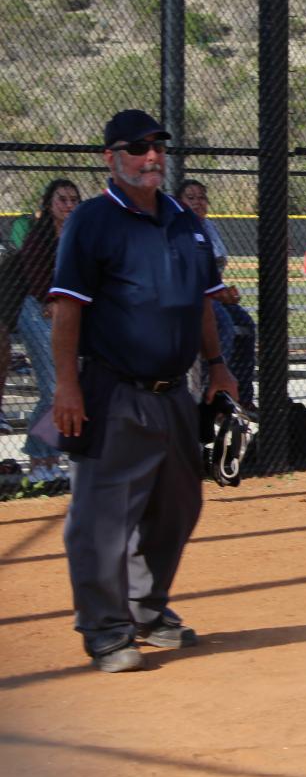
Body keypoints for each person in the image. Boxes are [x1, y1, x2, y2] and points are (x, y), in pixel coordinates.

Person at [49, 110, 238, 673]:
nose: (151, 156)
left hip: (175, 392)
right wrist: (66, 386)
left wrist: (218, 365)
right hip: (113, 389)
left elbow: (202, 300)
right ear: (112, 158)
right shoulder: (92, 220)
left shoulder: (186, 220)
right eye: (137, 148)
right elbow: (66, 309)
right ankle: (105, 630)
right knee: (102, 517)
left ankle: (146, 611)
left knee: (177, 506)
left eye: (157, 146)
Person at [14, 179, 81, 482]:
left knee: (63, 387)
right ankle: (38, 458)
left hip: (66, 312)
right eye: (62, 199)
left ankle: (49, 457)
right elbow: (35, 273)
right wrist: (51, 299)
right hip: (36, 308)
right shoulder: (38, 235)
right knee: (53, 386)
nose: (68, 205)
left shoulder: (80, 235)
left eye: (72, 200)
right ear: (49, 203)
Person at [176, 179, 257, 411]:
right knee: (224, 325)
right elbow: (194, 279)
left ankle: (242, 395)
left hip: (215, 292)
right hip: (196, 296)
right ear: (180, 202)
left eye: (201, 197)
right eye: (190, 198)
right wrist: (220, 295)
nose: (197, 202)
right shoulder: (180, 229)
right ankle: (213, 389)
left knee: (246, 325)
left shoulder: (209, 227)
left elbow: (215, 272)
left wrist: (225, 292)